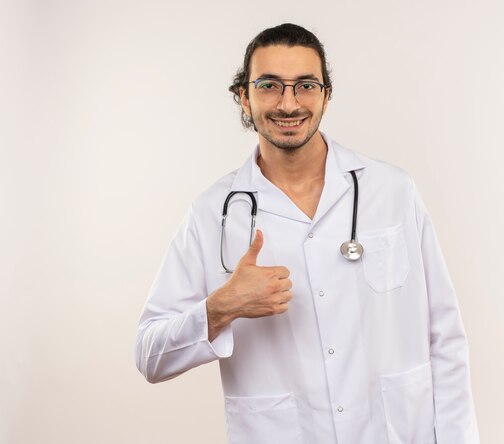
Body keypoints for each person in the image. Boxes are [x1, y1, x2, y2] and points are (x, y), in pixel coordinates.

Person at [135, 23, 480, 444]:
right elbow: (149, 355)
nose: (288, 103)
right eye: (269, 85)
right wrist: (221, 307)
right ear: (243, 96)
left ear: (326, 96)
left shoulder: (391, 192)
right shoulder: (213, 214)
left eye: (305, 85)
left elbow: (444, 335)